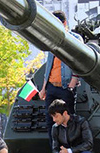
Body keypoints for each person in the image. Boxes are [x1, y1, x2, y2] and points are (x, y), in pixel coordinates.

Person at [40, 10, 83, 145]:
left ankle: (69, 150)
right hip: (52, 87)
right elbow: (49, 66)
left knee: (67, 121)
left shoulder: (75, 39)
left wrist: (72, 84)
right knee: (50, 121)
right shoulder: (52, 40)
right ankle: (55, 151)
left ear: (64, 23)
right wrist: (44, 88)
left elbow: (79, 62)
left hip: (66, 87)